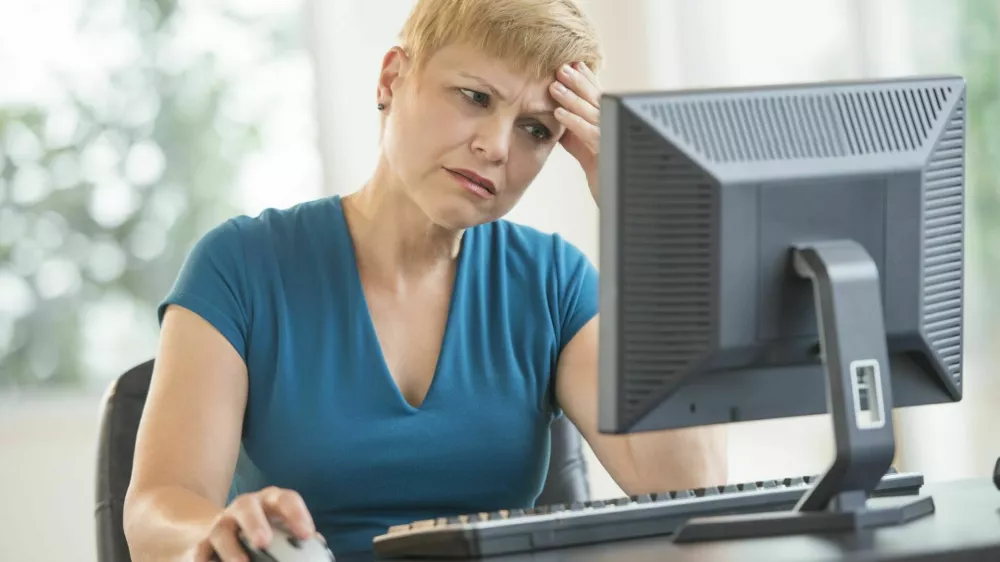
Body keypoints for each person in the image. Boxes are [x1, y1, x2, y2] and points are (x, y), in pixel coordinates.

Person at [122, 0, 728, 559]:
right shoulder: (240, 265)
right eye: (475, 97)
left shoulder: (555, 283)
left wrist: (642, 223)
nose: (495, 146)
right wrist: (220, 531)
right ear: (391, 80)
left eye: (536, 129)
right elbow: (156, 508)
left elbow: (691, 485)